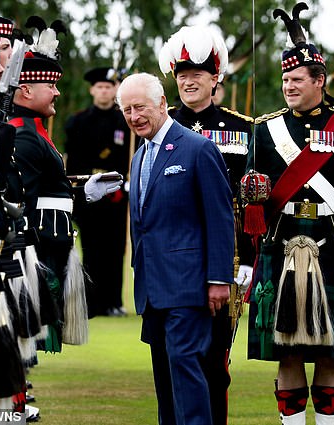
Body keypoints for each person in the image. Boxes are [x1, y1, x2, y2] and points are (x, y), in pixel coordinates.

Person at [244, 4, 334, 425]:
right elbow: (251, 201)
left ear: (319, 81)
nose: (288, 86)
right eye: (284, 80)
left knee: (329, 352)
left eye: (296, 80)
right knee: (286, 351)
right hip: (280, 246)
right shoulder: (264, 129)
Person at [116, 72, 234, 425]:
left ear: (163, 104)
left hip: (188, 286)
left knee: (186, 369)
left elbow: (220, 219)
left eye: (140, 108)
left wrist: (218, 279)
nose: (134, 117)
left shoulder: (198, 148)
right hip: (151, 290)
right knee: (165, 381)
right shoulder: (139, 156)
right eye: (126, 111)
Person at [158, 25, 253, 425]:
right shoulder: (160, 127)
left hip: (222, 261)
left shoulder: (245, 129)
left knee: (214, 363)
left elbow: (253, 202)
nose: (188, 79)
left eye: (197, 71)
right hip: (172, 263)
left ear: (216, 78)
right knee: (170, 362)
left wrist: (248, 258)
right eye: (181, 72)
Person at [10, 26, 121, 352]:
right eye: (50, 85)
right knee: (22, 344)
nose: (57, 92)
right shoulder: (25, 135)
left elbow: (48, 187)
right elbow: (24, 201)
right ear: (26, 90)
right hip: (39, 251)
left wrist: (84, 189)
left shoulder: (33, 130)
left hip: (51, 246)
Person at [65, 66, 131, 317]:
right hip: (87, 191)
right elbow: (73, 160)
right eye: (100, 87)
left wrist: (127, 179)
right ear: (92, 90)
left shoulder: (124, 122)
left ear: (115, 90)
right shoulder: (78, 121)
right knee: (91, 248)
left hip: (116, 191)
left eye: (109, 87)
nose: (104, 91)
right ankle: (92, 302)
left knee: (115, 248)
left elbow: (129, 155)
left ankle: (114, 301)